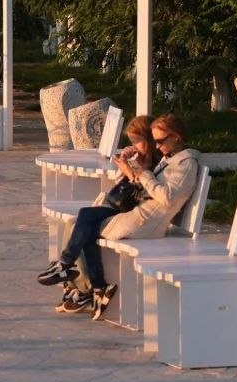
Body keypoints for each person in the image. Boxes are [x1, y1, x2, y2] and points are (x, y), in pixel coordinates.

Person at [37, 113, 200, 321]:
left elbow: (167, 197)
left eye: (160, 141)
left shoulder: (185, 164)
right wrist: (130, 169)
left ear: (176, 137)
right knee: (84, 221)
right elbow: (142, 189)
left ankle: (79, 277)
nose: (158, 146)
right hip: (138, 214)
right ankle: (89, 283)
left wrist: (141, 172)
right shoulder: (171, 160)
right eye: (155, 141)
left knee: (86, 223)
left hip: (145, 222)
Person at [53, 116, 159, 315]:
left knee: (84, 219)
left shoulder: (156, 163)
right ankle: (84, 286)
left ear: (149, 140)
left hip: (132, 214)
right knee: (73, 223)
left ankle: (79, 280)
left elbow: (144, 191)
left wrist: (131, 171)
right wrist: (125, 166)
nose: (134, 145)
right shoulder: (140, 159)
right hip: (120, 207)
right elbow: (120, 187)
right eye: (131, 141)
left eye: (137, 141)